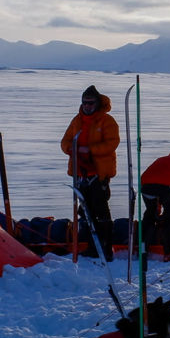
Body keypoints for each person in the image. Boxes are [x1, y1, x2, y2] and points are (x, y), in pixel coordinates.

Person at [60, 85, 119, 257]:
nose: (86, 106)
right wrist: (72, 149)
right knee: (85, 210)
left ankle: (105, 248)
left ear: (97, 103)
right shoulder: (76, 120)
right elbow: (64, 142)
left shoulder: (107, 121)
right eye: (84, 103)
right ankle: (92, 246)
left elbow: (112, 142)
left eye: (90, 103)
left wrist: (90, 150)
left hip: (98, 173)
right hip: (80, 173)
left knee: (100, 210)